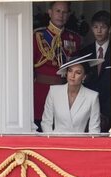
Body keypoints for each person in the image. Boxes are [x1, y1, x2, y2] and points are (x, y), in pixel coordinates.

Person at [33, 1, 81, 132]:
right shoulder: (38, 36)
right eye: (58, 11)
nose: (61, 15)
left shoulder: (74, 38)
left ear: (69, 14)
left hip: (65, 91)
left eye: (64, 12)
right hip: (41, 92)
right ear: (50, 12)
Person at [41, 54, 104, 133]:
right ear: (66, 73)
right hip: (56, 142)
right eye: (70, 71)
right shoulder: (54, 91)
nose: (72, 75)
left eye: (78, 72)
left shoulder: (92, 97)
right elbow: (46, 122)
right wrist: (52, 141)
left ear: (84, 77)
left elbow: (94, 129)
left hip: (78, 143)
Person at [79, 10, 111, 132]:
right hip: (88, 109)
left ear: (109, 29)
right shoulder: (84, 52)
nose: (99, 31)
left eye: (103, 27)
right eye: (96, 27)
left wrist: (107, 111)